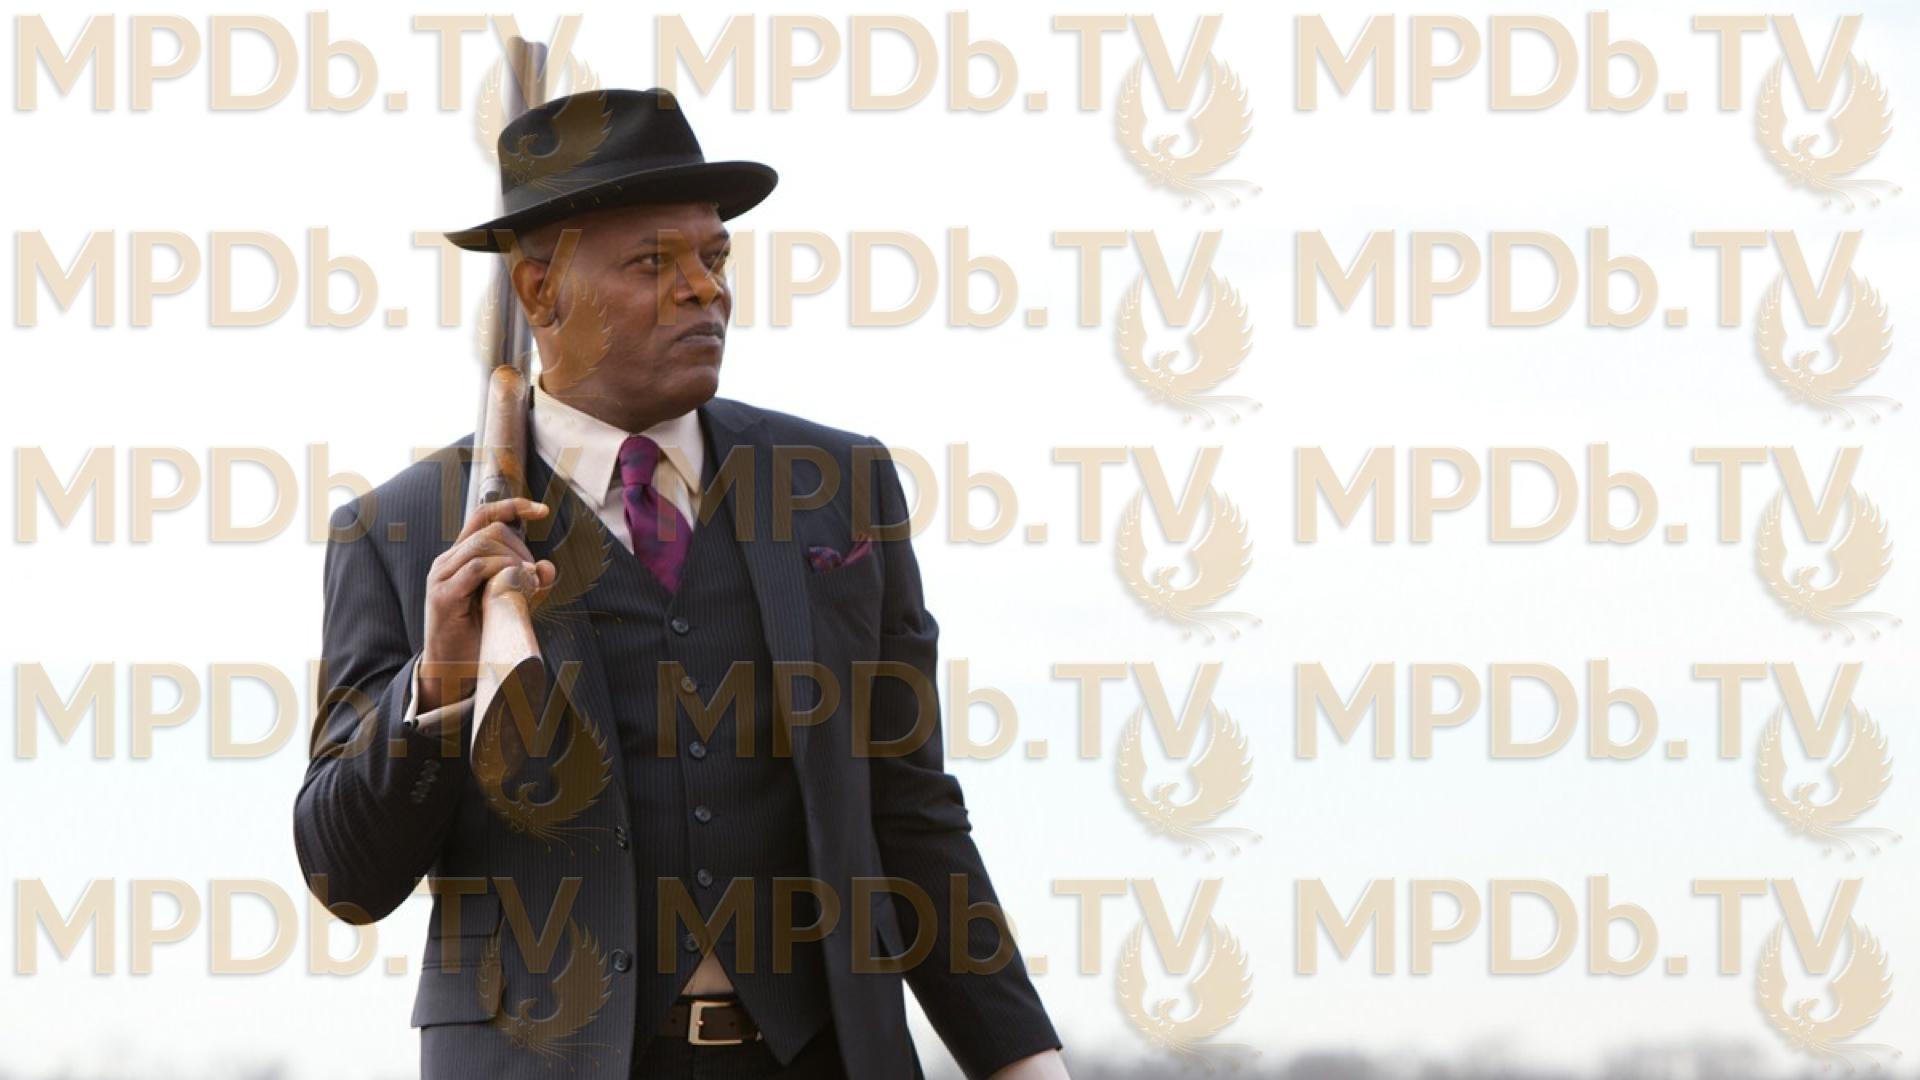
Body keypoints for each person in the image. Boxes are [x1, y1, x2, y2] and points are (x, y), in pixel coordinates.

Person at [293, 85, 1069, 1079]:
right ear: (540, 293)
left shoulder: (841, 486)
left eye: (715, 257)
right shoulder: (398, 532)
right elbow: (346, 875)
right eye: (654, 264)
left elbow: (910, 811)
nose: (706, 290)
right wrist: (437, 688)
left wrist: (1021, 1062)